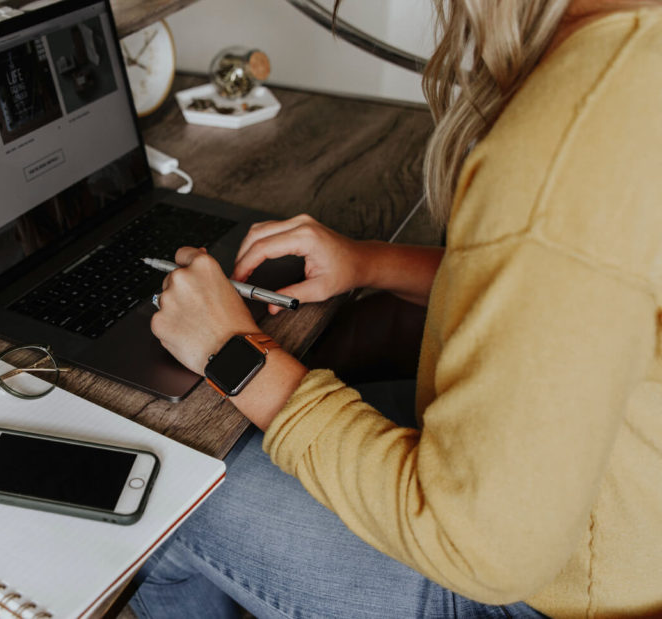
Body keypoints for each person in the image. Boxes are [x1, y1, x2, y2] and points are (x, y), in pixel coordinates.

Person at [132, 0, 662, 616]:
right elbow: (572, 295)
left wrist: (230, 351)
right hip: (621, 531)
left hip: (539, 593)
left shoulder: (571, 137)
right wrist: (368, 263)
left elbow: (481, 552)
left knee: (160, 485)